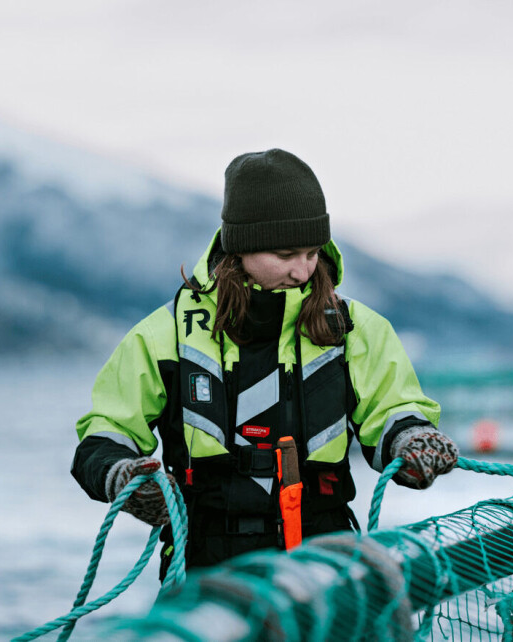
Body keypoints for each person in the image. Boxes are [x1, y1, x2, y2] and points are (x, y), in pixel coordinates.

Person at [70, 148, 459, 575]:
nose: (303, 270)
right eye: (286, 254)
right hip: (207, 559)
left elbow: (393, 410)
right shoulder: (165, 333)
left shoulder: (356, 329)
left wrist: (412, 440)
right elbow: (105, 432)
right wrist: (125, 477)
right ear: (241, 248)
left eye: (312, 253)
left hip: (326, 555)